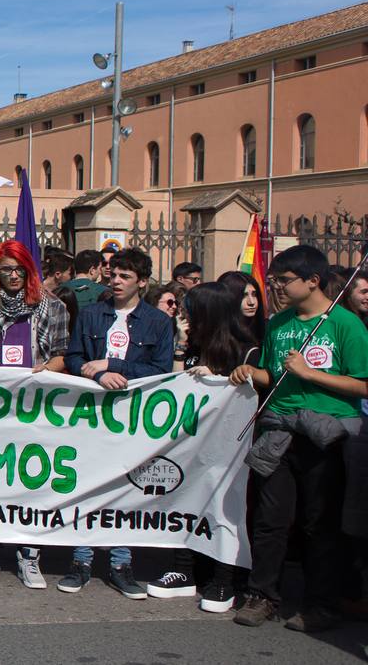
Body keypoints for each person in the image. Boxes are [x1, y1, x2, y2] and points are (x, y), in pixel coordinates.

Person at [231, 244, 368, 632]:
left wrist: (311, 374)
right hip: (279, 430)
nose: (276, 287)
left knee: (319, 523)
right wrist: (250, 373)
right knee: (270, 519)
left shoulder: (345, 324)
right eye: (274, 279)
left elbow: (363, 384)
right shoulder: (279, 323)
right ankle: (262, 595)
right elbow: (273, 375)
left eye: (283, 280)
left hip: (327, 435)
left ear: (312, 281)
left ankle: (321, 603)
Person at [63, 247, 174, 599]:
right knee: (88, 484)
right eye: (113, 275)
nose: (116, 281)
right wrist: (96, 375)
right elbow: (74, 357)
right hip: (94, 414)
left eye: (125, 276)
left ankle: (121, 564)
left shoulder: (158, 322)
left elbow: (161, 369)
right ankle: (81, 560)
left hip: (133, 416)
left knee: (126, 489)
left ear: (142, 282)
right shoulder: (91, 315)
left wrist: (115, 366)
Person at [0, 238, 69, 588]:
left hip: (34, 406)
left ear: (29, 270)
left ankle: (29, 553)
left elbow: (61, 356)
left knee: (31, 478)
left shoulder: (52, 307)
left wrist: (44, 370)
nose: (13, 276)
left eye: (19, 269)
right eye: (6, 269)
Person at [151, 281, 255, 613]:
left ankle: (225, 578)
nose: (184, 315)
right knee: (183, 501)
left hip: (228, 449)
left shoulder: (246, 349)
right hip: (191, 444)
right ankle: (183, 570)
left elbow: (244, 392)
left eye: (190, 310)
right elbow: (174, 385)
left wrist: (217, 378)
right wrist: (182, 348)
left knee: (224, 510)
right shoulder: (194, 344)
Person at [217, 270, 268, 347]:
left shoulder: (267, 329)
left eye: (254, 294)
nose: (251, 302)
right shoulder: (216, 336)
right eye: (244, 296)